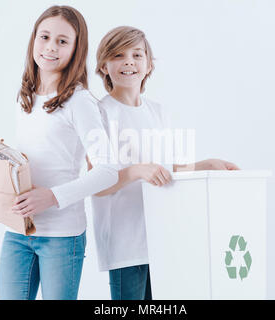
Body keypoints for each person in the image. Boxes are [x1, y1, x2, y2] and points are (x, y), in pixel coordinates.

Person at [0, 5, 118, 300]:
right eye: (44, 37)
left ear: (76, 49)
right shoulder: (26, 96)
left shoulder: (80, 102)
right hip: (19, 230)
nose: (50, 47)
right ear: (34, 40)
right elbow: (25, 162)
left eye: (62, 41)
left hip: (62, 236)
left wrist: (53, 196)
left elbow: (108, 171)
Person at [88, 26, 240, 300]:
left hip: (163, 235)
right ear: (104, 66)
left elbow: (164, 170)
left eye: (137, 54)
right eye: (119, 55)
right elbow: (95, 184)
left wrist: (205, 164)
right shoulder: (100, 113)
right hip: (125, 243)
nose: (129, 62)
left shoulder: (158, 112)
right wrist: (136, 171)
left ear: (148, 65)